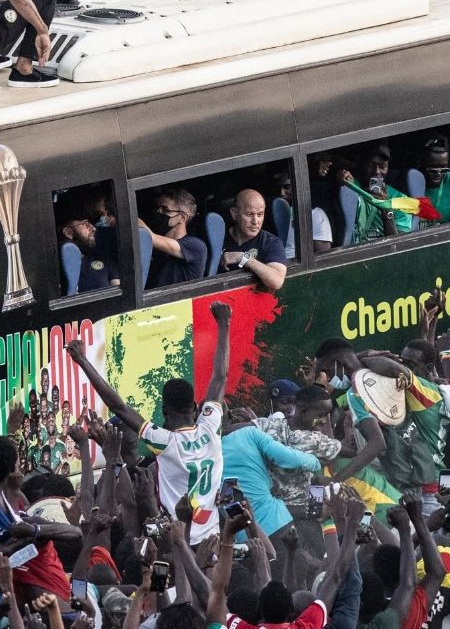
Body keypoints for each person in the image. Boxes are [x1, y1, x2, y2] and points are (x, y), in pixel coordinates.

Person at [66, 300, 232, 544]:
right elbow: (220, 377)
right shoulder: (211, 426)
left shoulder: (164, 442)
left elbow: (118, 406)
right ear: (196, 407)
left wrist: (82, 360)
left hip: (178, 540)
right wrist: (224, 324)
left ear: (164, 410)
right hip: (212, 539)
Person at [220, 189, 288, 291]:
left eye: (260, 214)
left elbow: (277, 281)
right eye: (249, 214)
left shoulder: (270, 242)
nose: (255, 221)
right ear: (234, 214)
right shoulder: (219, 237)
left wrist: (244, 258)